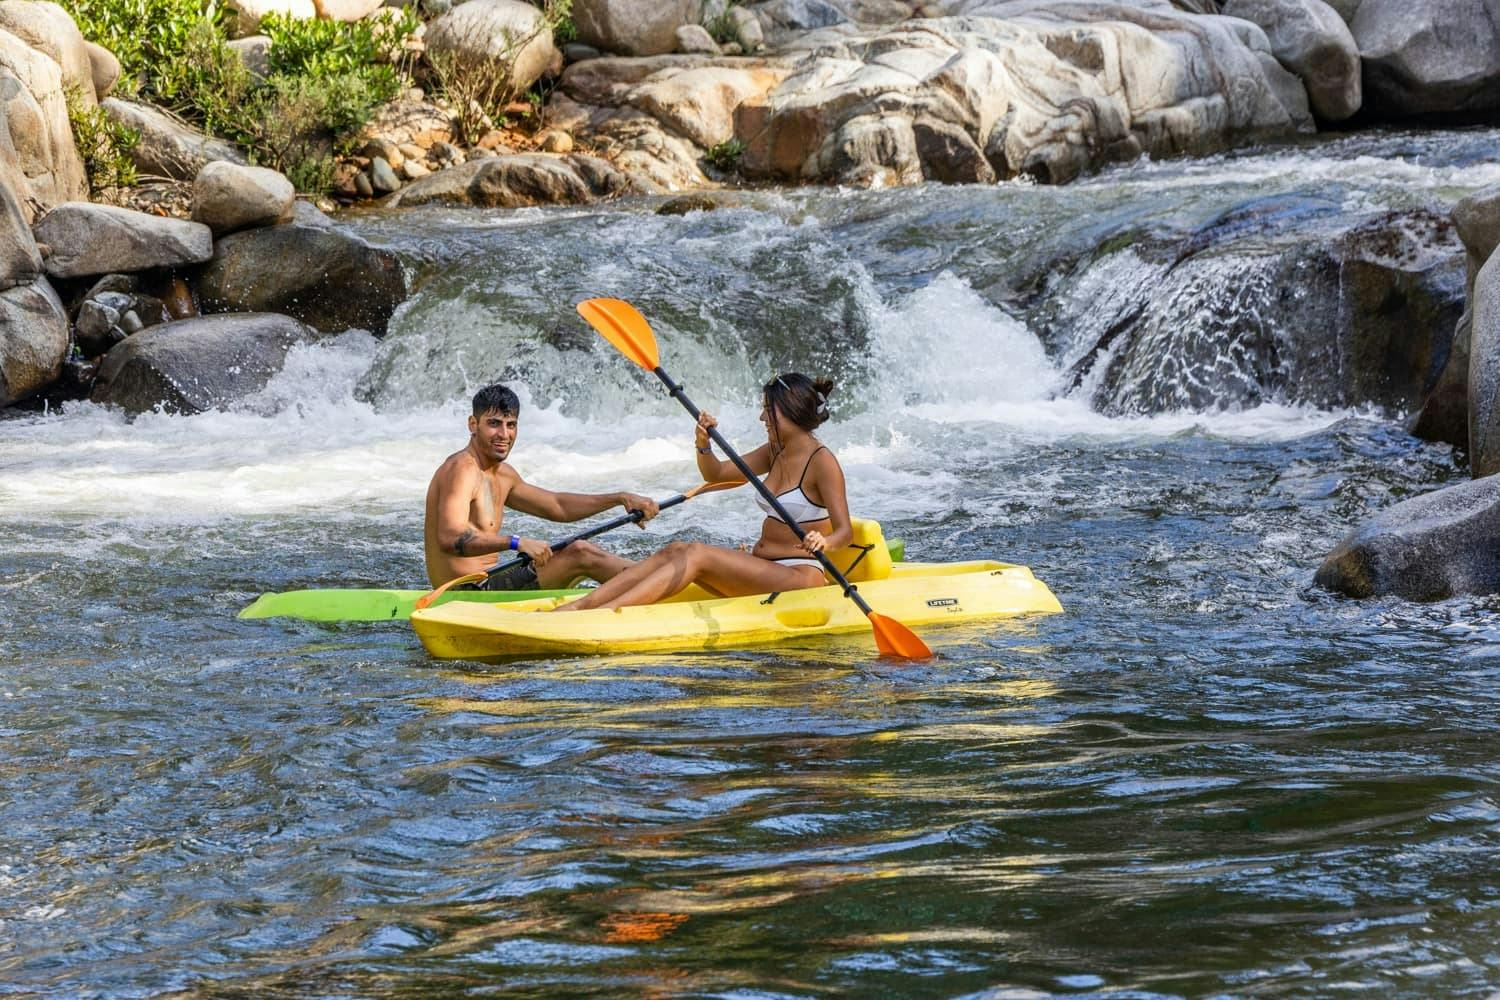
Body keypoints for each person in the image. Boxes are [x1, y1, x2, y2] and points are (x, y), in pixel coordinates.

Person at [558, 373, 849, 611]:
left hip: (799, 577)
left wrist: (824, 540)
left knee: (696, 553)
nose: (762, 417)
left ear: (790, 410)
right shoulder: (775, 451)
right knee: (677, 549)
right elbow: (717, 474)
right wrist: (703, 443)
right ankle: (580, 607)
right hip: (765, 565)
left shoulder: (823, 462)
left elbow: (844, 532)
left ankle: (609, 613)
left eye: (767, 409)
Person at [424, 384, 659, 589]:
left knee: (574, 552)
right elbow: (450, 538)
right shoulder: (461, 469)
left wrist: (620, 498)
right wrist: (516, 542)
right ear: (473, 424)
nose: (504, 434)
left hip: (493, 580)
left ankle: (659, 579)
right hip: (466, 593)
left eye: (511, 425)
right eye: (494, 424)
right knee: (580, 553)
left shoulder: (503, 475)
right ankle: (663, 583)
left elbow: (558, 506)